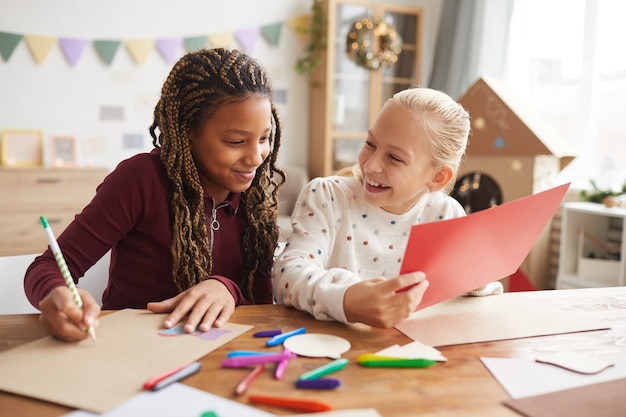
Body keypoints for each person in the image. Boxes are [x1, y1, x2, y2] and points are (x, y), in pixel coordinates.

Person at [24, 48, 285, 342]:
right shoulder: (140, 181)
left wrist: (228, 288)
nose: (256, 157)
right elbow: (48, 266)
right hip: (128, 350)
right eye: (236, 141)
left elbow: (263, 310)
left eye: (264, 138)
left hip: (217, 358)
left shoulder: (257, 203)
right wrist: (55, 294)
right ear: (187, 132)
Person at [272, 86, 501, 329]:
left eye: (394, 158)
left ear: (437, 178)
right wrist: (345, 299)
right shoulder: (327, 196)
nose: (370, 165)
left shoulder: (447, 214)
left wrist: (476, 281)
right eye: (370, 143)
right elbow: (287, 274)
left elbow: (477, 299)